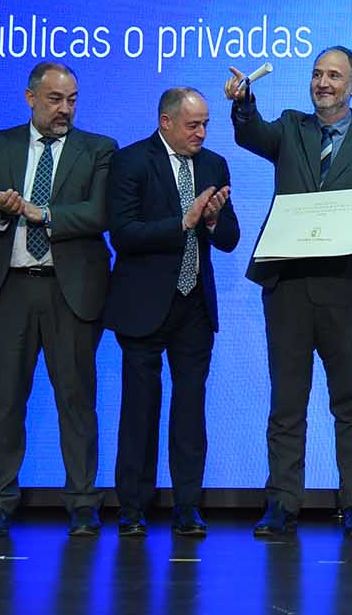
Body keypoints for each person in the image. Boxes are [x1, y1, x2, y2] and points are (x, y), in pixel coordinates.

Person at [224, 47, 352, 538]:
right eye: (318, 74)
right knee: (287, 401)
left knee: (351, 400)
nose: (323, 82)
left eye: (334, 76)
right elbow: (251, 133)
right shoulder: (290, 127)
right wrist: (243, 103)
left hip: (345, 288)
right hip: (289, 287)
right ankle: (282, 503)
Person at [0, 62, 117, 539]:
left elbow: (99, 213)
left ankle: (83, 501)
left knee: (77, 400)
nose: (65, 109)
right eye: (55, 99)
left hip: (70, 291)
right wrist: (1, 211)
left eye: (72, 99)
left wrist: (41, 212)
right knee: (4, 400)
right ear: (31, 98)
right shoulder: (0, 144)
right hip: (9, 288)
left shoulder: (99, 149)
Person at [104, 87, 238, 538]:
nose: (201, 133)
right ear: (166, 122)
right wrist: (183, 222)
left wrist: (213, 220)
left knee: (190, 409)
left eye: (205, 125)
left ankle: (187, 506)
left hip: (194, 306)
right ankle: (132, 507)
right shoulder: (130, 161)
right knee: (139, 409)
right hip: (143, 306)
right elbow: (123, 233)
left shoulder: (214, 165)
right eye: (192, 125)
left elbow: (230, 238)